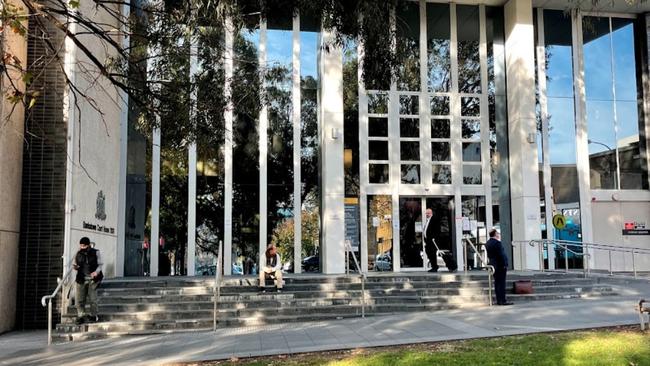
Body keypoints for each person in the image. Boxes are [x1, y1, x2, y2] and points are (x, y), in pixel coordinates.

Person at [73, 237, 103, 324]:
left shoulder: (96, 252)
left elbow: (100, 265)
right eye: (81, 245)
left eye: (84, 245)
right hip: (81, 279)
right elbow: (76, 264)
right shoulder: (78, 253)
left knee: (93, 299)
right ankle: (81, 316)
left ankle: (94, 316)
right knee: (80, 300)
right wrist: (76, 267)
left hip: (93, 280)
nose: (82, 247)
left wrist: (96, 272)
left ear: (88, 245)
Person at [486, 229, 512, 306]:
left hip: (493, 265)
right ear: (495, 234)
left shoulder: (488, 243)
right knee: (501, 283)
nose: (498, 234)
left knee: (497, 283)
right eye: (497, 233)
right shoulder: (497, 243)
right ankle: (502, 300)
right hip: (500, 265)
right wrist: (505, 263)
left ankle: (499, 300)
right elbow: (501, 254)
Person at [423, 208, 439, 272]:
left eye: (428, 213)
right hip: (428, 241)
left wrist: (434, 238)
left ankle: (434, 267)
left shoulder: (434, 220)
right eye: (426, 213)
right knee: (429, 253)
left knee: (432, 254)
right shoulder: (428, 220)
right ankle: (434, 266)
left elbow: (437, 230)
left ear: (431, 213)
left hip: (432, 241)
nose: (427, 214)